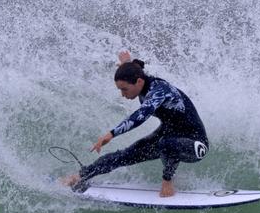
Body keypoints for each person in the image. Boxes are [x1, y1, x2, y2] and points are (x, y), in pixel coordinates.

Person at [63, 50, 208, 197]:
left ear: (138, 82)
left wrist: (111, 134)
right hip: (168, 133)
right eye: (120, 89)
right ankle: (81, 175)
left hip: (194, 142)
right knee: (125, 155)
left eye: (124, 89)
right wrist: (126, 63)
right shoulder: (138, 78)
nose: (122, 94)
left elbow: (141, 115)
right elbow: (134, 70)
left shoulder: (159, 90)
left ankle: (168, 180)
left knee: (166, 144)